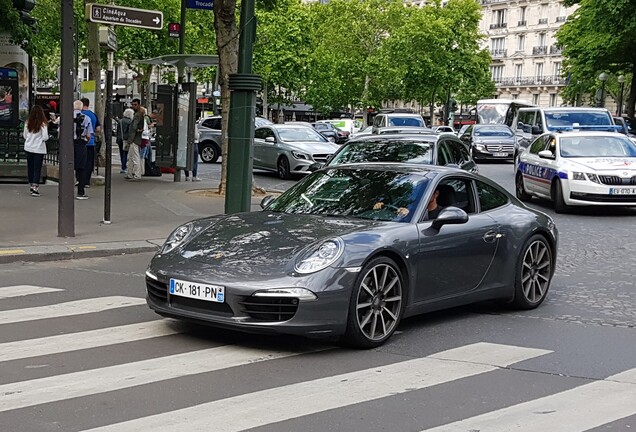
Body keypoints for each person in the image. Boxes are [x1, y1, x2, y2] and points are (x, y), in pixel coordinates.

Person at [23, 105, 49, 197]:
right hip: (39, 148)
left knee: (30, 166)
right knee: (37, 168)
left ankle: (31, 183)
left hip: (29, 147)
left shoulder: (27, 123)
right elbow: (45, 137)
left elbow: (25, 136)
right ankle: (35, 186)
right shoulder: (43, 124)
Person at [73, 100, 94, 199]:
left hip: (69, 144)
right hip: (81, 144)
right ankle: (80, 191)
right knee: (81, 168)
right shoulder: (87, 118)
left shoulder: (67, 117)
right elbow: (89, 135)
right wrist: (85, 140)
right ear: (81, 108)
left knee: (67, 167)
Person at [81, 98, 101, 188]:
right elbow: (98, 129)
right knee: (89, 162)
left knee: (81, 162)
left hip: (81, 142)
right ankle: (86, 181)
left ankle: (80, 179)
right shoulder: (93, 115)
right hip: (91, 142)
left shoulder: (79, 114)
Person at [125, 98, 145, 181]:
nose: (133, 106)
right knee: (131, 157)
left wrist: (129, 141)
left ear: (139, 105)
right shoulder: (139, 114)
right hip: (135, 138)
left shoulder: (137, 115)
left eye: (135, 104)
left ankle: (136, 174)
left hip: (134, 139)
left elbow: (134, 128)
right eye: (133, 104)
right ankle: (130, 173)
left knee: (134, 157)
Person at [116, 108, 134, 174]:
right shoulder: (130, 122)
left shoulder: (120, 121)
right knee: (125, 153)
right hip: (126, 139)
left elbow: (117, 131)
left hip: (119, 139)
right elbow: (130, 131)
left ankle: (123, 166)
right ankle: (124, 167)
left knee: (121, 153)